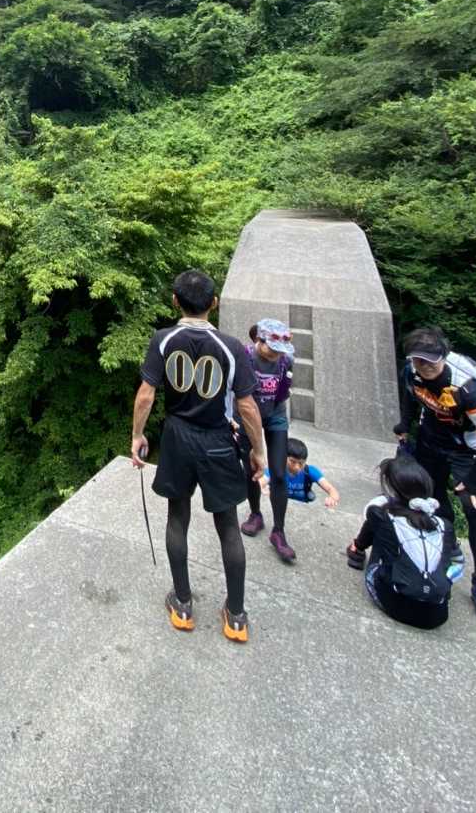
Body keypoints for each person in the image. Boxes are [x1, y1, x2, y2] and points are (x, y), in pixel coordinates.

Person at [131, 269, 266, 643]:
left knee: (177, 517)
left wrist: (138, 435)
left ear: (175, 301)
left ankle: (183, 604)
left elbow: (146, 394)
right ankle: (235, 616)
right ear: (214, 303)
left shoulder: (163, 339)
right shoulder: (232, 347)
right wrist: (258, 451)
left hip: (177, 437)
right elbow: (247, 406)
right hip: (218, 439)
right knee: (228, 525)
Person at [394, 327, 476, 622]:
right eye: (419, 361)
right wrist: (405, 425)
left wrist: (474, 481)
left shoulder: (468, 388)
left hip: (466, 447)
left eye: (431, 361)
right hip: (430, 439)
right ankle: (449, 547)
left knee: (475, 510)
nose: (425, 367)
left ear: (443, 356)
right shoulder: (411, 371)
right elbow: (410, 396)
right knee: (430, 496)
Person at [346, 453, 459, 629]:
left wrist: (360, 545)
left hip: (396, 605)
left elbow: (378, 520)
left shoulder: (383, 515)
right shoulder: (444, 525)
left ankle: (356, 551)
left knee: (381, 529)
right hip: (437, 615)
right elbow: (456, 562)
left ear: (392, 490)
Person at [237, 319, 297, 561]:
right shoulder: (244, 358)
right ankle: (255, 514)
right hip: (246, 414)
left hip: (275, 414)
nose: (276, 355)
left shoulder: (286, 360)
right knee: (251, 469)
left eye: (280, 350)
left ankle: (279, 531)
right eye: (272, 349)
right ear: (258, 340)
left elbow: (284, 391)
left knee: (279, 473)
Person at [277, 437, 340, 506]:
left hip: (302, 504)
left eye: (301, 463)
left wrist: (332, 499)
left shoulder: (310, 471)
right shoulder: (275, 470)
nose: (297, 467)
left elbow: (331, 489)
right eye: (292, 461)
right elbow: (266, 483)